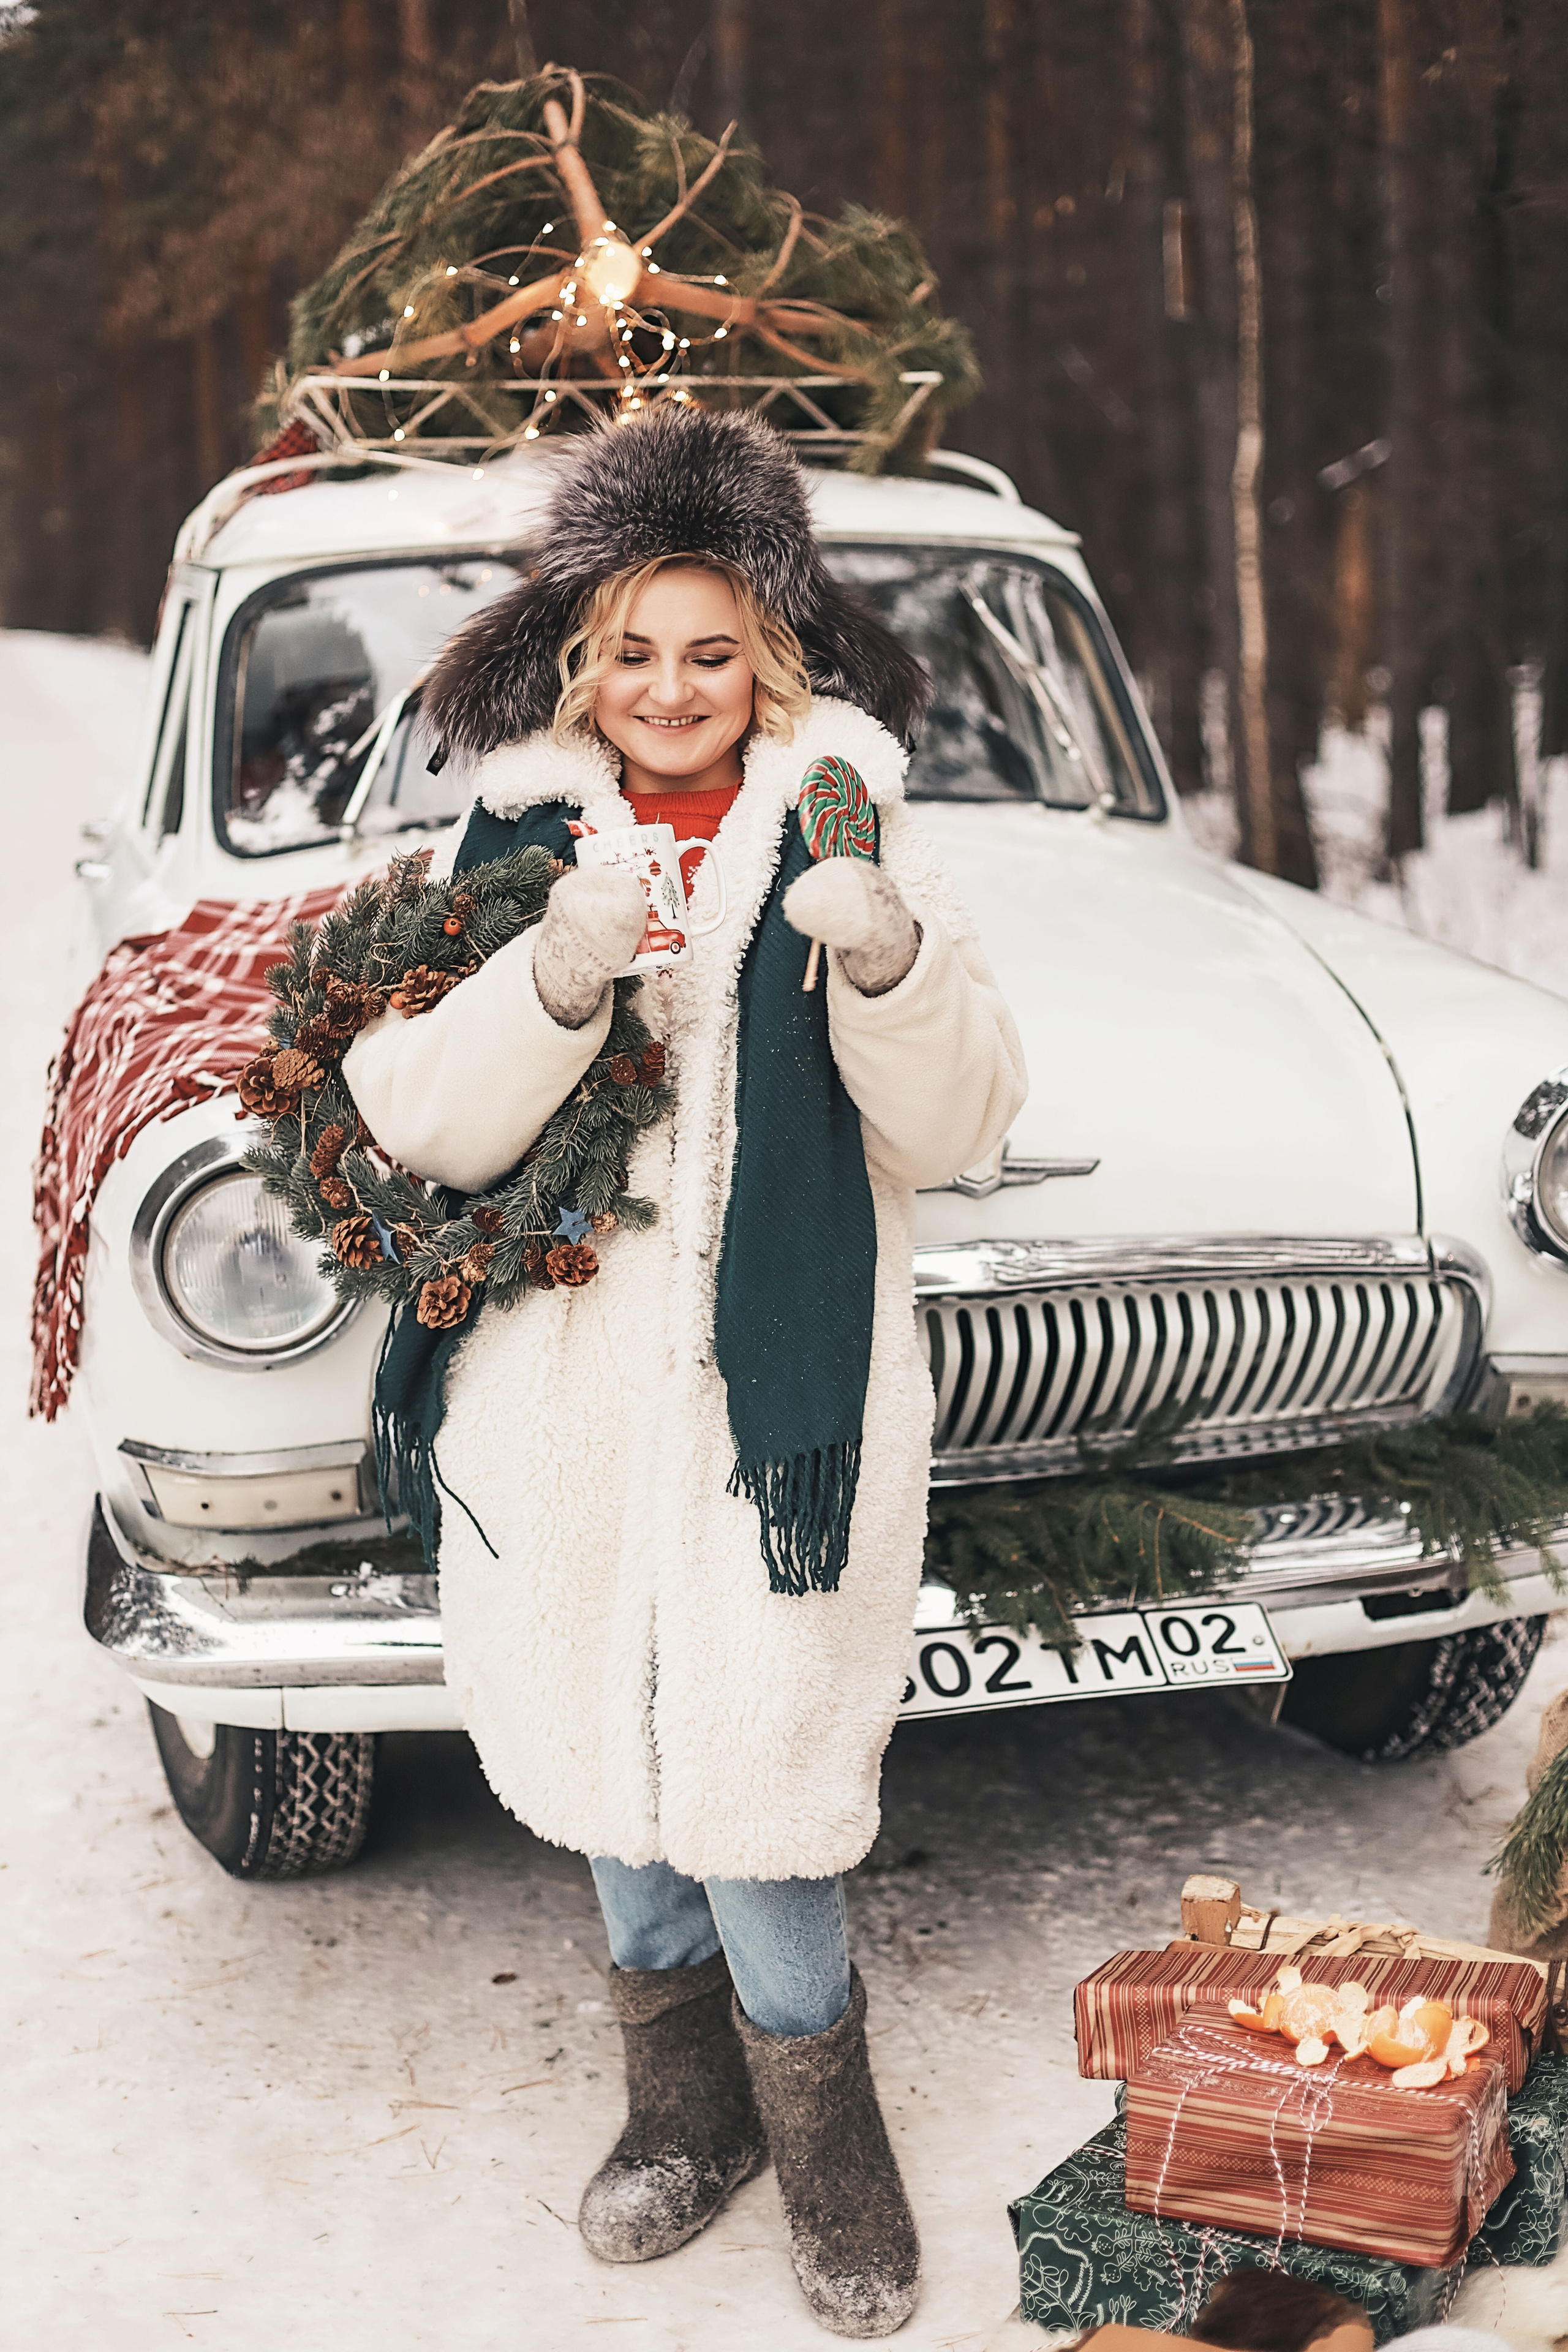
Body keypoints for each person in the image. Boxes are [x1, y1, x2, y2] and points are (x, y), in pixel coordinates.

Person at [342, 404, 1027, 2339]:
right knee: (605, 1755)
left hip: (771, 1412)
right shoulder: (510, 837)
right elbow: (418, 1118)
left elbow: (961, 1124)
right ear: (583, 657)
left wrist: (882, 961)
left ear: (771, 656)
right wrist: (553, 979)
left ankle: (828, 2140)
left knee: (763, 1767)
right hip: (560, 1394)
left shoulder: (849, 829)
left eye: (711, 650)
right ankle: (678, 2112)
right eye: (633, 650)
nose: (670, 688)